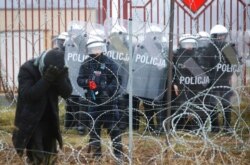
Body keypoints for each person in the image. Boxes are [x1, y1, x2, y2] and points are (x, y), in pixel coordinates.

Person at [12, 48, 73, 164]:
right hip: (32, 119)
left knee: (51, 157)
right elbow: (29, 96)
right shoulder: (28, 69)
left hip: (50, 117)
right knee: (37, 157)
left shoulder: (59, 67)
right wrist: (46, 79)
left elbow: (67, 93)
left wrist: (60, 79)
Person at [77, 34, 123, 160]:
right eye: (93, 49)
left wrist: (107, 92)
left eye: (97, 48)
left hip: (109, 102)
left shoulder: (110, 63)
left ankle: (119, 155)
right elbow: (79, 79)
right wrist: (87, 82)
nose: (95, 51)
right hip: (93, 101)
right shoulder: (86, 64)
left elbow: (117, 80)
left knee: (114, 129)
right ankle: (97, 156)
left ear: (102, 48)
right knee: (94, 129)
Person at [206, 24, 240, 133]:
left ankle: (227, 126)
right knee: (212, 104)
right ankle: (215, 126)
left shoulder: (228, 48)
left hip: (225, 80)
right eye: (218, 36)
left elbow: (235, 64)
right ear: (213, 36)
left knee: (226, 104)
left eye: (222, 36)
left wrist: (234, 75)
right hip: (212, 81)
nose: (220, 38)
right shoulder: (210, 49)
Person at [173, 34, 210, 131]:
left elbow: (203, 73)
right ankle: (180, 126)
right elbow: (172, 70)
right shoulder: (177, 55)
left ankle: (195, 126)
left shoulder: (198, 55)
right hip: (182, 85)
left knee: (195, 105)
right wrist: (174, 83)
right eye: (186, 44)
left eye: (191, 43)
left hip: (195, 85)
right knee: (181, 105)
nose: (189, 46)